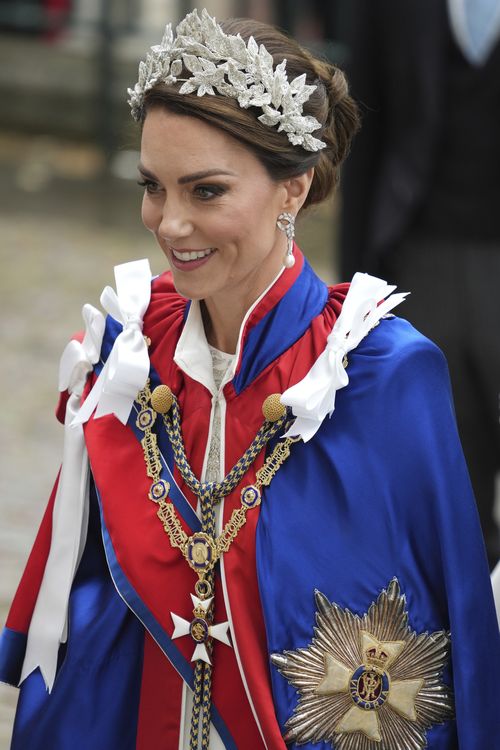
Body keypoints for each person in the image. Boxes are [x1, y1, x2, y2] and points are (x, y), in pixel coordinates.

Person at [1, 9, 498, 750]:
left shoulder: (385, 372)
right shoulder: (128, 354)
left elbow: (449, 634)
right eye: (152, 186)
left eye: (205, 192)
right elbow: (85, 615)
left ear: (293, 190)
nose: (169, 224)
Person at [339, 0, 500, 569]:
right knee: (442, 481)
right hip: (420, 253)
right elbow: (365, 134)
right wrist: (352, 294)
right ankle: (461, 637)